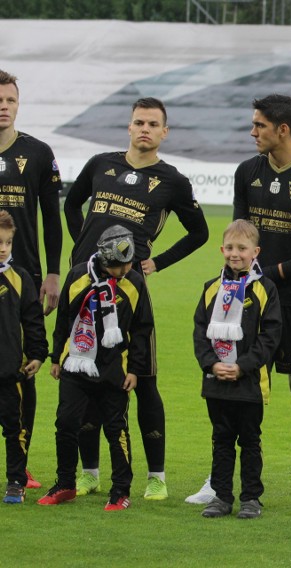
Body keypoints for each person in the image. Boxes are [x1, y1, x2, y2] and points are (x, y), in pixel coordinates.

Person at [64, 97, 209, 501]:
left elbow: (199, 233)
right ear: (128, 127)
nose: (145, 128)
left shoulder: (173, 182)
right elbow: (72, 203)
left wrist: (156, 263)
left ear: (165, 132)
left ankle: (156, 477)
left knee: (143, 380)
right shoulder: (99, 164)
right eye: (139, 122)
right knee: (85, 374)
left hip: (130, 293)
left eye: (153, 124)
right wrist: (81, 248)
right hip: (86, 285)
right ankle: (90, 473)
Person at [204, 93, 291, 511]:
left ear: (282, 129)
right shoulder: (248, 172)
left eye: (259, 125)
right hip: (244, 302)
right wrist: (246, 278)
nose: (253, 131)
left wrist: (271, 275)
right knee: (232, 384)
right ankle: (218, 481)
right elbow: (239, 231)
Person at [37, 226, 154, 511]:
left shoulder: (135, 283)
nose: (125, 269)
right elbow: (64, 316)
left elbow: (142, 329)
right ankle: (65, 483)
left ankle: (120, 490)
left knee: (117, 429)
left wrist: (135, 370)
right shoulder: (78, 275)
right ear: (104, 260)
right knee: (65, 424)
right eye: (119, 265)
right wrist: (56, 357)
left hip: (115, 369)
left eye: (128, 263)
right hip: (75, 363)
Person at [192, 220, 282, 519]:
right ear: (221, 249)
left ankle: (251, 498)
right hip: (216, 380)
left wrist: (242, 366)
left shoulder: (265, 289)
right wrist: (211, 364)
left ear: (255, 252)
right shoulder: (211, 288)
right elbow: (199, 331)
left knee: (250, 441)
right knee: (221, 440)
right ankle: (221, 496)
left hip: (250, 382)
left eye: (242, 248)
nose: (235, 254)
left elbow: (271, 336)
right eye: (230, 247)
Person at [0, 69, 63, 489]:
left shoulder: (38, 153)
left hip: (22, 281)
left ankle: (19, 467)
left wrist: (54, 272)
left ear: (18, 104)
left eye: (9, 100)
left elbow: (52, 219)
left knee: (24, 367)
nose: (3, 107)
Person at [0, 211, 47, 504]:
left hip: (11, 373)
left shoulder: (20, 279)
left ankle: (16, 481)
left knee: (16, 429)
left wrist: (39, 355)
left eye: (7, 242)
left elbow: (33, 321)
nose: (3, 247)